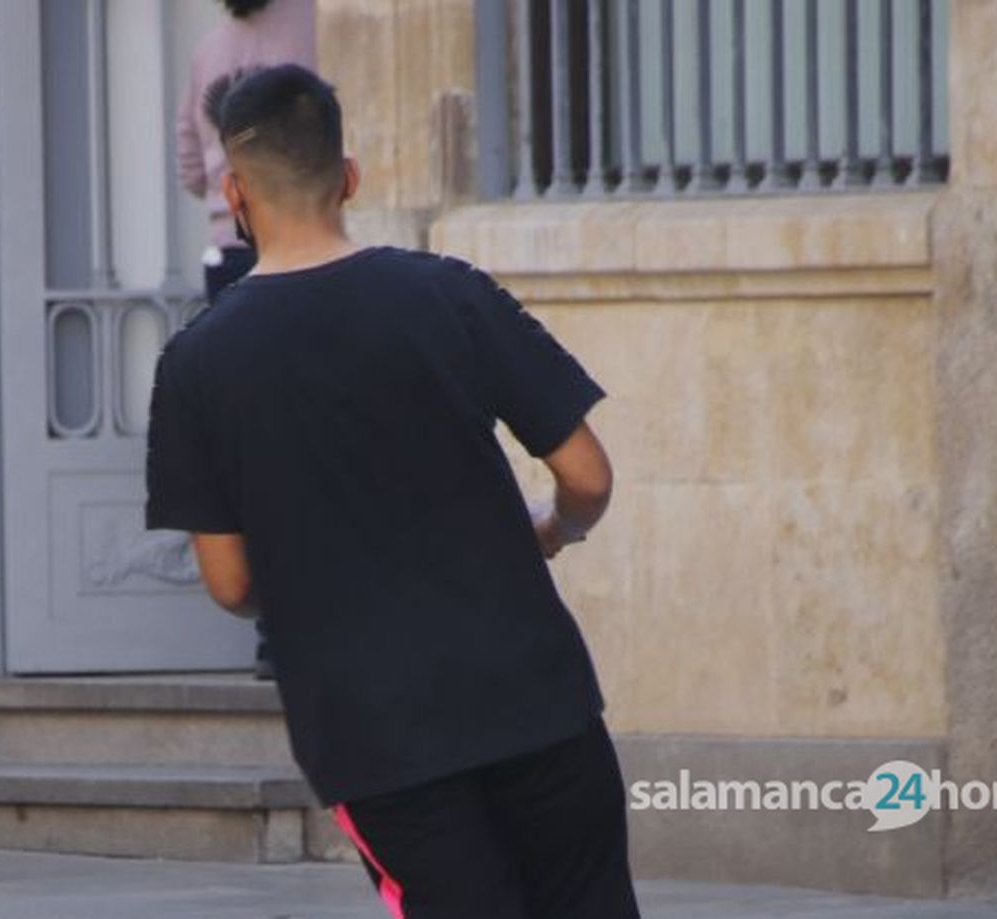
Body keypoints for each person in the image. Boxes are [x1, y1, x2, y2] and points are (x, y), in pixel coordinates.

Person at [145, 64, 640, 919]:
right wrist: (556, 526)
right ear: (349, 176)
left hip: (377, 732)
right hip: (536, 694)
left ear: (233, 193)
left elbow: (229, 583)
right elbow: (587, 475)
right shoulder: (448, 293)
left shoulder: (197, 364)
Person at [176, 0, 316, 680]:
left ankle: (274, 627)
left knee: (251, 446)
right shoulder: (314, 25)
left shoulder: (210, 47)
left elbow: (188, 165)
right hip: (294, 250)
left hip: (232, 262)